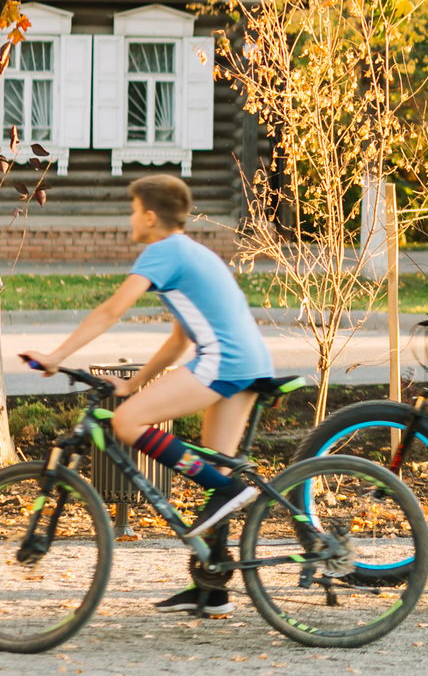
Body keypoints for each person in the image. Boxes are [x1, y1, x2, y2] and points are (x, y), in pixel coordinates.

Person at [21, 174, 275, 616]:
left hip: (226, 361)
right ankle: (212, 589)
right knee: (214, 472)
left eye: (134, 209)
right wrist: (132, 385)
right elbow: (179, 340)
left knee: (127, 423)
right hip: (250, 363)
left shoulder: (163, 251)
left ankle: (231, 490)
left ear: (151, 215)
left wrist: (56, 357)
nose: (131, 217)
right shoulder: (190, 253)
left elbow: (111, 310)